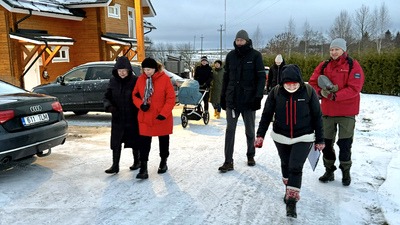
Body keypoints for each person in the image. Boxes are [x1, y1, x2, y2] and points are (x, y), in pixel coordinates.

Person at [254, 64, 325, 218]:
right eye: (288, 83)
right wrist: (260, 135)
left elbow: (317, 116)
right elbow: (266, 115)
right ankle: (289, 188)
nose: (291, 86)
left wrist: (320, 139)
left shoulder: (308, 92)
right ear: (282, 83)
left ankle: (292, 201)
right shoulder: (276, 92)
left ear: (300, 81)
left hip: (304, 136)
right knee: (286, 164)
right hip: (281, 136)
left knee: (295, 166)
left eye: (294, 83)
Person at [308, 38, 365, 187]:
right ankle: (329, 170)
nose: (333, 52)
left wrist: (335, 95)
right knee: (326, 143)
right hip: (327, 112)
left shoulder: (353, 66)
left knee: (345, 144)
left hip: (347, 112)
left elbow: (355, 88)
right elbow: (313, 83)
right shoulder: (324, 65)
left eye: (337, 49)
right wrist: (321, 93)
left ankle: (346, 172)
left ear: (343, 50)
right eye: (332, 49)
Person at [218, 29, 266, 172]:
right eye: (237, 40)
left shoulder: (255, 56)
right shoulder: (231, 56)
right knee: (230, 130)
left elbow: (261, 78)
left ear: (246, 41)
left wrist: (258, 97)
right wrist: (223, 97)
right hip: (232, 99)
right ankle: (228, 161)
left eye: (241, 40)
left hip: (248, 100)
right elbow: (225, 78)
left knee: (250, 131)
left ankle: (250, 155)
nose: (239, 42)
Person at [132, 57, 176, 179]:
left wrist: (164, 113)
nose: (147, 72)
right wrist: (141, 105)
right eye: (145, 69)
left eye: (150, 69)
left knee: (163, 140)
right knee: (144, 143)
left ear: (155, 68)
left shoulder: (165, 79)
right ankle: (143, 167)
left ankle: (163, 162)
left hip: (161, 116)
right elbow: (135, 95)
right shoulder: (140, 80)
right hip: (145, 116)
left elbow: (170, 98)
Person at [103, 56, 140, 174]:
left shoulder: (135, 81)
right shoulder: (112, 81)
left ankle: (137, 161)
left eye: (124, 70)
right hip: (118, 117)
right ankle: (115, 165)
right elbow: (106, 96)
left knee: (134, 141)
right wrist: (109, 106)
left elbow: (140, 96)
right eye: (120, 71)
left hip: (132, 116)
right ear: (116, 71)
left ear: (129, 70)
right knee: (116, 142)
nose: (122, 73)